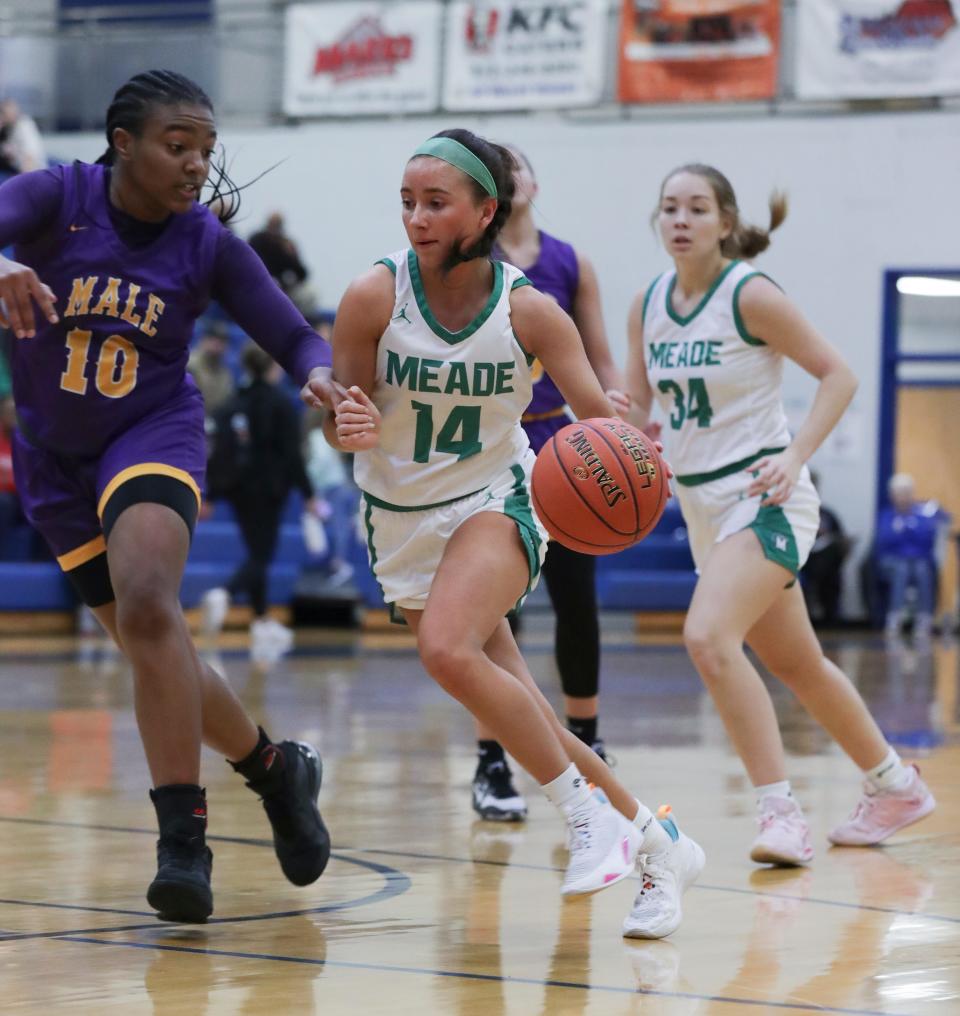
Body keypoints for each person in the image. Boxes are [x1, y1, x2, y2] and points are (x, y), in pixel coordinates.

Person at [307, 128, 704, 939]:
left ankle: (585, 820)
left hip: (497, 501)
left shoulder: (531, 310)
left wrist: (633, 469)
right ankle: (661, 845)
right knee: (528, 710)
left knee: (446, 650)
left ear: (486, 210)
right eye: (408, 202)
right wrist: (344, 425)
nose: (418, 217)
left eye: (437, 202)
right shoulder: (372, 296)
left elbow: (605, 426)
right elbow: (345, 418)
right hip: (401, 521)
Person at [0, 70, 334, 922]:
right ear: (125, 145)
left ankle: (183, 843)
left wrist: (323, 379)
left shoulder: (205, 243)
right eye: (176, 147)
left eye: (205, 151)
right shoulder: (54, 197)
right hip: (52, 462)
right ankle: (273, 769)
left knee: (151, 606)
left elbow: (288, 329)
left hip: (152, 433)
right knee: (158, 649)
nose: (195, 166)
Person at [624, 163, 936, 865]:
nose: (680, 219)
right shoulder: (647, 304)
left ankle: (780, 813)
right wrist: (618, 437)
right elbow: (636, 410)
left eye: (697, 208)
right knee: (799, 664)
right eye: (669, 207)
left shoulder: (750, 294)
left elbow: (840, 373)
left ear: (725, 224)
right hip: (703, 508)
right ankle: (895, 785)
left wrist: (795, 455)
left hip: (766, 497)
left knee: (707, 637)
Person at [466, 144, 629, 824]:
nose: (515, 176)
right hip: (492, 444)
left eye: (521, 165)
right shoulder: (470, 262)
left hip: (563, 445)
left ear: (533, 182)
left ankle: (587, 739)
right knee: (493, 611)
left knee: (576, 599)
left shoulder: (570, 261)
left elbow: (601, 359)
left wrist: (620, 416)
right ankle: (492, 759)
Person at [202, 343, 316, 661]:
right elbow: (293, 455)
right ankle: (224, 593)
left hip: (237, 490)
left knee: (256, 552)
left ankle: (261, 621)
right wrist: (308, 495)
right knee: (261, 556)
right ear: (272, 367)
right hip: (268, 490)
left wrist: (211, 494)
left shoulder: (231, 404)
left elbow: (218, 452)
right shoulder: (280, 403)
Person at [876, 473, 940, 641]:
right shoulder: (886, 516)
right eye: (899, 492)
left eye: (906, 492)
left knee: (921, 569)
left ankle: (924, 619)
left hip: (919, 560)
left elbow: (927, 541)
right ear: (892, 495)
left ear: (912, 493)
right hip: (891, 561)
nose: (903, 496)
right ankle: (895, 617)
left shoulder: (922, 515)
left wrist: (904, 530)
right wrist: (908, 532)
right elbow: (884, 541)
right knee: (902, 568)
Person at [801, 470, 850, 627]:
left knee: (831, 569)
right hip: (801, 563)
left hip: (826, 563)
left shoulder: (828, 514)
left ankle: (831, 620)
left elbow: (839, 537)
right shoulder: (792, 513)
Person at [248, 211, 317, 317]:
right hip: (258, 284)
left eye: (277, 225)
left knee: (310, 293)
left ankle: (305, 322)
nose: (274, 228)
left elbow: (302, 273)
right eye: (272, 224)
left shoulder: (285, 244)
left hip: (283, 287)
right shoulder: (257, 240)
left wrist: (292, 256)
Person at [187, 320, 235, 416]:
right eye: (213, 339)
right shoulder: (189, 364)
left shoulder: (225, 373)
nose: (217, 344)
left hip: (214, 423)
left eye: (222, 341)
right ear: (203, 340)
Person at [0, 98, 46, 177]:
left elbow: (29, 158)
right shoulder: (7, 128)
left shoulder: (24, 126)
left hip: (28, 171)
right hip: (12, 168)